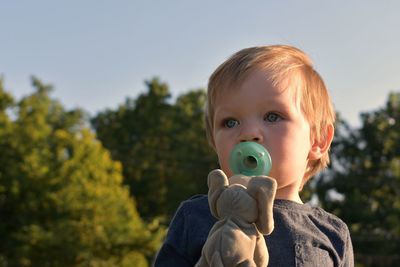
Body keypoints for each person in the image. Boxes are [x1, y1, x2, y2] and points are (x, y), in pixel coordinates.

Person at [154, 45, 354, 266]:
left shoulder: (333, 234)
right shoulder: (194, 217)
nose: (248, 134)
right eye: (230, 122)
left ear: (318, 140)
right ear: (214, 141)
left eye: (272, 116)